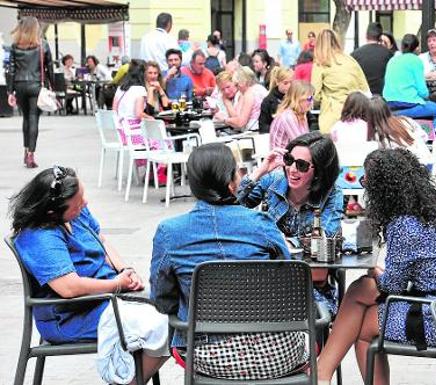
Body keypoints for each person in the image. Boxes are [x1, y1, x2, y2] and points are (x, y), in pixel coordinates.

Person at [315, 147, 436, 385]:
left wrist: (378, 276)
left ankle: (322, 373)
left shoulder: (403, 225)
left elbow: (393, 286)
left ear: (382, 188)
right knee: (362, 290)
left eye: (366, 181)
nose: (364, 187)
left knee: (363, 325)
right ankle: (322, 373)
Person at [149, 144, 308, 380]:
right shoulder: (261, 224)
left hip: (206, 355)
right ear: (232, 181)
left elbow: (162, 300)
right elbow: (290, 286)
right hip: (277, 353)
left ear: (193, 184)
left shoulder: (169, 233)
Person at [10, 166, 169, 385]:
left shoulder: (74, 213)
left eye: (82, 196)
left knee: (173, 308)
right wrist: (115, 285)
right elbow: (69, 288)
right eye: (77, 204)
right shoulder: (39, 236)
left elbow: (101, 241)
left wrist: (124, 271)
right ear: (52, 212)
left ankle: (131, 376)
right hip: (72, 316)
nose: (84, 203)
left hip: (104, 298)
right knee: (164, 324)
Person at [237, 132, 343, 314]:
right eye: (289, 160)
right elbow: (230, 208)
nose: (292, 169)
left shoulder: (332, 194)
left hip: (307, 283)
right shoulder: (273, 180)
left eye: (301, 165)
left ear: (319, 171)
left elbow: (326, 239)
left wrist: (277, 242)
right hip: (265, 277)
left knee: (315, 312)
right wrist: (260, 171)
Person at [7, 16, 53, 168]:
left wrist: (10, 92)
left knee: (26, 118)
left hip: (20, 85)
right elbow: (50, 68)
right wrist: (53, 86)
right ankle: (30, 155)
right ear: (36, 28)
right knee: (34, 119)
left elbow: (11, 70)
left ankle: (25, 150)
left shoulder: (15, 46)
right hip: (36, 86)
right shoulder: (43, 45)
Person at [311, 29, 369, 134]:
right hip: (355, 114)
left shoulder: (321, 62)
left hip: (332, 116)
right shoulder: (351, 60)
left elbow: (315, 94)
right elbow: (365, 89)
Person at [383, 34, 436, 120]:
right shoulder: (416, 60)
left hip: (388, 104)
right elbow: (423, 93)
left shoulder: (392, 60)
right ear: (417, 48)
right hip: (409, 105)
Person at [367, 95, 432, 164]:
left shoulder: (378, 134)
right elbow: (425, 137)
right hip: (427, 162)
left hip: (408, 169)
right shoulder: (405, 120)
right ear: (387, 108)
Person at [214, 66, 268, 132]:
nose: (238, 88)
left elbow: (240, 123)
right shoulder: (260, 88)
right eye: (222, 89)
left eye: (237, 85)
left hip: (255, 132)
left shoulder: (249, 93)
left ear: (244, 81)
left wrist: (224, 119)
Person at [351, 22, 393, 95]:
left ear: (366, 36)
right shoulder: (389, 54)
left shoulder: (354, 55)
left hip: (362, 98)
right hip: (382, 98)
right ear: (380, 38)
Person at [269, 80, 313, 149]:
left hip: (293, 156)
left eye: (311, 98)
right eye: (309, 99)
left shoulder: (301, 114)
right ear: (297, 99)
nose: (311, 102)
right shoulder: (288, 116)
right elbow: (301, 144)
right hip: (281, 158)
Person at [259, 66, 293, 133]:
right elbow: (263, 126)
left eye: (291, 82)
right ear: (277, 82)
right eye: (285, 83)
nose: (289, 86)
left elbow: (311, 120)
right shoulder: (268, 101)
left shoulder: (296, 97)